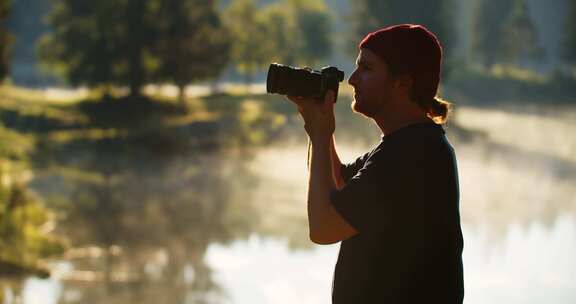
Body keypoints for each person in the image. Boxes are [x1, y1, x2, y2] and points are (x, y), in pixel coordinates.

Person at [287, 24, 464, 303]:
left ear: (402, 83)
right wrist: (317, 127)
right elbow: (340, 187)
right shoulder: (410, 146)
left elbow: (324, 228)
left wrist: (321, 136)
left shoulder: (413, 155)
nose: (353, 79)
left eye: (367, 69)